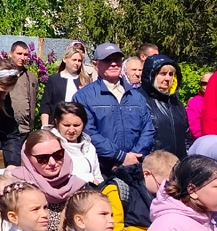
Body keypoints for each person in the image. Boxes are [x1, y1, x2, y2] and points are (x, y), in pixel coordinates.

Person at [74, 42, 155, 175]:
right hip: (102, 170)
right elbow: (88, 133)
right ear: (95, 64)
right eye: (107, 60)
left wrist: (133, 157)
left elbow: (148, 129)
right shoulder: (83, 97)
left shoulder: (136, 96)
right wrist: (120, 156)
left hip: (135, 167)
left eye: (117, 59)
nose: (113, 64)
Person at [2, 129, 91, 231]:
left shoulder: (78, 187)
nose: (52, 162)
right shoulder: (13, 185)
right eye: (43, 158)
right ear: (28, 158)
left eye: (58, 155)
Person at [138, 53, 190, 158]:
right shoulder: (139, 100)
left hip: (178, 163)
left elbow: (186, 136)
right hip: (152, 163)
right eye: (163, 74)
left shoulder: (176, 103)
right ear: (151, 75)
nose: (167, 78)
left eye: (171, 74)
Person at [49, 101, 103, 186]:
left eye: (76, 125)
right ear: (57, 122)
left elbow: (98, 177)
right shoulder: (49, 146)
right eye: (66, 125)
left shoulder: (89, 147)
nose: (71, 130)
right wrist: (89, 179)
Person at [38, 42, 92, 126]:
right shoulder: (54, 79)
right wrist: (45, 126)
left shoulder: (84, 80)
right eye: (74, 60)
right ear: (65, 59)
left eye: (79, 61)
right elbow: (45, 105)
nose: (77, 63)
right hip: (56, 125)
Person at [4, 41, 39, 163]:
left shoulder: (31, 78)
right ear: (10, 54)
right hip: (7, 131)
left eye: (25, 54)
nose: (22, 57)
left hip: (26, 130)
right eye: (19, 53)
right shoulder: (2, 74)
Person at [185, 70, 212, 140]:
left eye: (210, 83)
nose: (206, 86)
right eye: (204, 83)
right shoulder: (194, 102)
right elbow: (195, 129)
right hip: (203, 140)